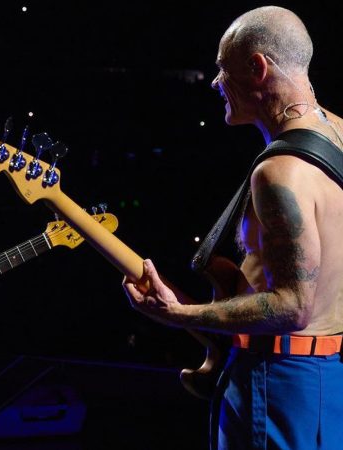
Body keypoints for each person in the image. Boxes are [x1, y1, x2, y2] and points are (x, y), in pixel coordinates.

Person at [123, 6, 343, 450]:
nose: (215, 82)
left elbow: (291, 306)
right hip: (328, 379)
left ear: (257, 67)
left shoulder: (279, 172)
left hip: (274, 380)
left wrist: (176, 315)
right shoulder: (339, 133)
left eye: (222, 69)